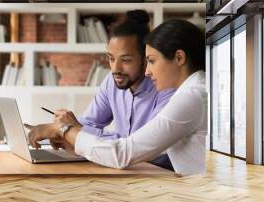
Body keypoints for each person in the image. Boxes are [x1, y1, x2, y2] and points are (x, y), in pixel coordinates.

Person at [29, 19, 206, 176]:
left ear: (179, 57)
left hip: (192, 195)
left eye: (151, 61)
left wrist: (65, 130)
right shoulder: (192, 91)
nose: (147, 71)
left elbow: (124, 153)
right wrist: (71, 135)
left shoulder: (190, 97)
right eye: (111, 59)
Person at [77, 10, 175, 140]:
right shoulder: (111, 82)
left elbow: (143, 145)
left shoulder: (165, 87)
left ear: (146, 58)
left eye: (126, 60)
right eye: (111, 58)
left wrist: (73, 131)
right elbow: (88, 124)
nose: (115, 69)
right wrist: (68, 129)